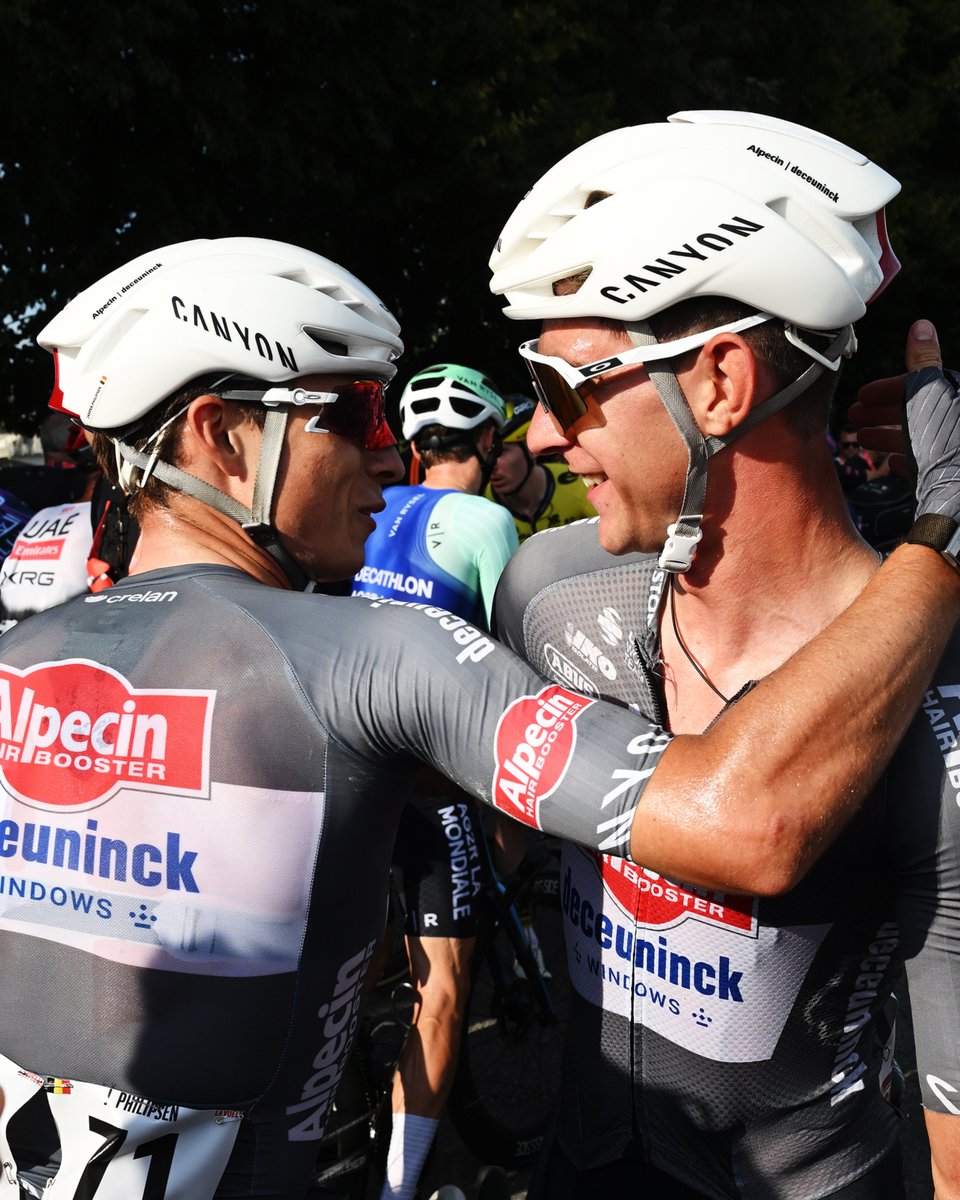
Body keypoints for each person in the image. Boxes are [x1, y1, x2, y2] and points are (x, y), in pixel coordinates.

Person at [0, 237, 957, 1200]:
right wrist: (940, 530)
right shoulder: (372, 655)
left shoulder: (11, 660)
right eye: (354, 411)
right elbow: (749, 819)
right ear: (219, 436)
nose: (390, 449)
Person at [487, 109, 960, 1198]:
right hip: (583, 1164)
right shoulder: (553, 594)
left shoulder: (932, 713)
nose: (541, 439)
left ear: (716, 384)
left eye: (564, 389)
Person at [351, 362, 517, 1200]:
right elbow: (512, 665)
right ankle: (401, 1190)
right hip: (431, 782)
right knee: (442, 992)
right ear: (488, 441)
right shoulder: (487, 520)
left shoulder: (372, 505)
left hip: (350, 766)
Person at [486, 394, 595, 540]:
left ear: (530, 450)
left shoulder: (577, 484)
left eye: (501, 452)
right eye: (487, 452)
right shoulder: (483, 505)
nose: (491, 463)